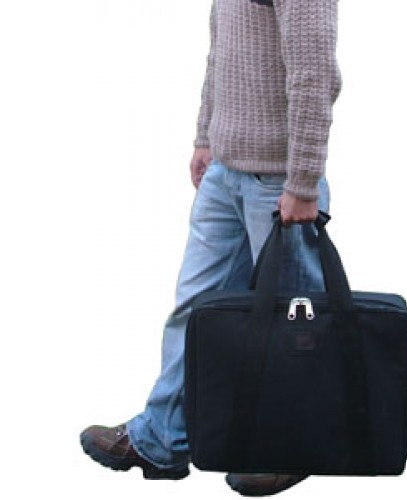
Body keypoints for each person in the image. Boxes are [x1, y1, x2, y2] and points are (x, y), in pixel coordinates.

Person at [80, 0, 342, 496]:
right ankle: (162, 439)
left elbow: (314, 73)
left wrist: (303, 181)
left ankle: (292, 446)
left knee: (293, 325)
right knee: (195, 309)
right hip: (225, 173)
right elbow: (220, 51)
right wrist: (206, 136)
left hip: (279, 182)